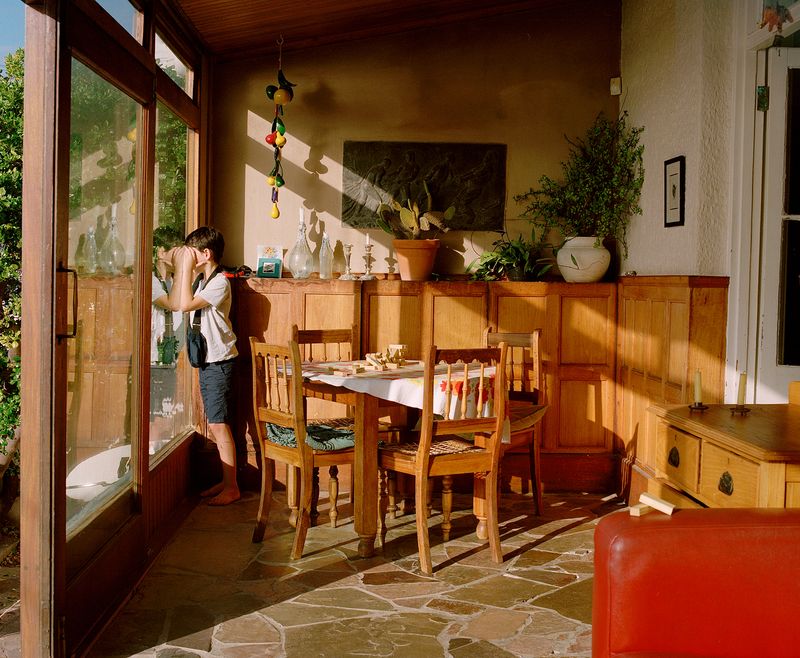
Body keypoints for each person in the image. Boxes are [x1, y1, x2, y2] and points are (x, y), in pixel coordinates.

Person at [171, 227, 240, 506]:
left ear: (206, 254)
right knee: (216, 423)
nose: (189, 258)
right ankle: (226, 482)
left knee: (218, 425)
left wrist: (186, 266)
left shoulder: (219, 282)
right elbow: (178, 300)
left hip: (219, 362)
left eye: (193, 252)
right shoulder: (205, 280)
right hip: (210, 360)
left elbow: (185, 305)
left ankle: (232, 487)